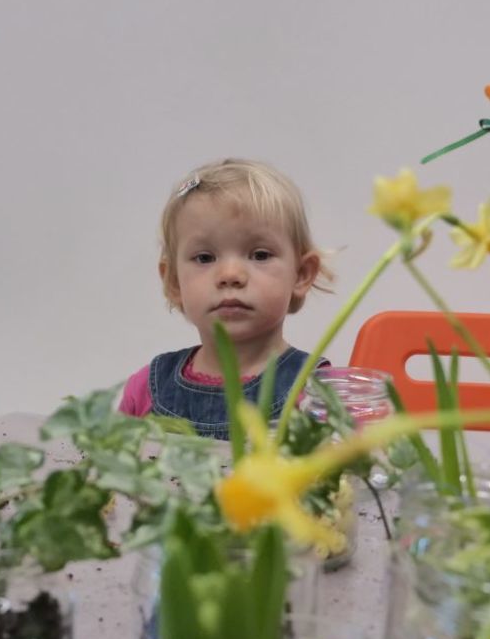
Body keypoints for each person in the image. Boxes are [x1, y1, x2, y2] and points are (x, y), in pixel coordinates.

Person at [119, 159, 332, 439]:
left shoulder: (317, 392)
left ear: (301, 274)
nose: (230, 275)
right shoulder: (146, 389)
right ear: (173, 282)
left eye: (260, 255)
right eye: (205, 258)